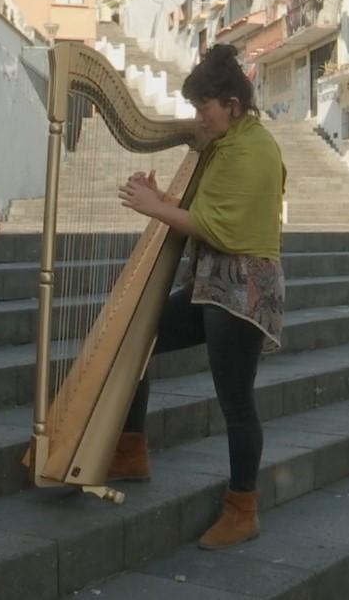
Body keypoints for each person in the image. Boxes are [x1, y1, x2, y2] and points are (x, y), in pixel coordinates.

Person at [113, 43, 286, 550]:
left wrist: (154, 207)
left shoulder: (253, 149)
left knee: (235, 402)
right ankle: (129, 450)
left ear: (231, 105)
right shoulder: (229, 144)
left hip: (242, 291)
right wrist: (163, 198)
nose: (198, 120)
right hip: (212, 283)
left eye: (203, 108)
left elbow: (218, 226)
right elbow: (210, 212)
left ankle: (242, 508)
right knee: (134, 334)